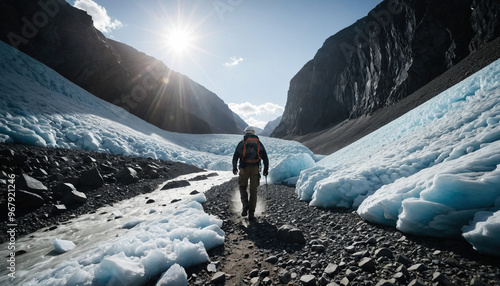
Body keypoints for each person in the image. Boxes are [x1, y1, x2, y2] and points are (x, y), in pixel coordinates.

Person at [232, 126, 269, 220]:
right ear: (253, 132)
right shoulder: (258, 143)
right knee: (253, 190)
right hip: (255, 168)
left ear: (245, 133)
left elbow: (235, 156)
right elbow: (265, 157)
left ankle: (245, 204)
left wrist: (234, 167)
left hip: (244, 168)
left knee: (242, 186)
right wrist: (266, 169)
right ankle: (251, 213)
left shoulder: (242, 143)